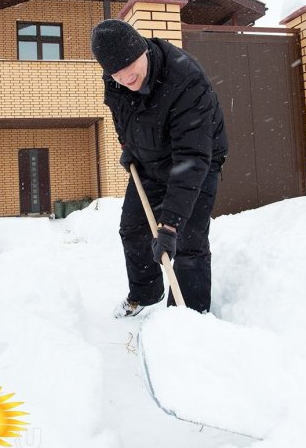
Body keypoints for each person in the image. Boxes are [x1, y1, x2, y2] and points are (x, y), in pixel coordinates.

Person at [91, 19, 228, 318]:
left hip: (197, 160)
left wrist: (170, 225)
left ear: (143, 50)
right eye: (116, 72)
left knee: (188, 241)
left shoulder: (186, 80)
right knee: (133, 229)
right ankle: (146, 295)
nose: (125, 77)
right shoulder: (114, 78)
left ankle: (188, 317)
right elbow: (121, 115)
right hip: (149, 159)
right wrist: (128, 146)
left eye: (129, 66)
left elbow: (192, 156)